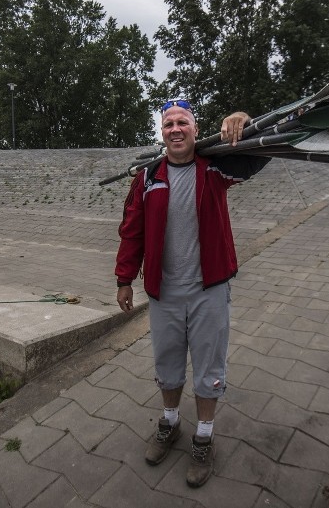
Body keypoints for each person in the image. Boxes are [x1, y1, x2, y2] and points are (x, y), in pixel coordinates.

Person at [115, 99, 269, 488]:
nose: (176, 129)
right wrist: (124, 278)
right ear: (162, 133)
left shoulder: (214, 167)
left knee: (208, 368)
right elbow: (132, 229)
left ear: (196, 130)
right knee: (166, 362)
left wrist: (244, 120)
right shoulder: (148, 177)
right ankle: (169, 423)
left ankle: (203, 435)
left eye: (183, 122)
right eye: (169, 124)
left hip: (209, 290)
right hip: (164, 293)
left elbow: (260, 152)